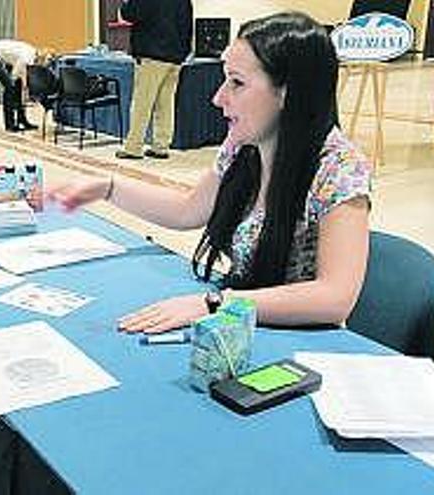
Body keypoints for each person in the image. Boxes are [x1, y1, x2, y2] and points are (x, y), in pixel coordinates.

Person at [49, 12, 372, 334]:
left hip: (294, 341)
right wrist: (108, 187)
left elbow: (335, 297)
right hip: (243, 324)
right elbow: (188, 208)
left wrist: (216, 302)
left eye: (237, 82)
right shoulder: (241, 144)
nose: (218, 98)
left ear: (288, 92)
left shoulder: (338, 168)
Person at [115, 0, 192, 160]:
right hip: (175, 56)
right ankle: (161, 146)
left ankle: (134, 147)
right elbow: (187, 27)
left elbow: (129, 14)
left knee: (142, 102)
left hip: (152, 55)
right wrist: (182, 53)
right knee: (166, 103)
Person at [0, 39, 39, 132]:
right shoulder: (28, 56)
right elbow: (17, 71)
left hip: (5, 59)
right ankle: (10, 125)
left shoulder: (30, 54)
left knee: (18, 86)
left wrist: (24, 86)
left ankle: (22, 120)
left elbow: (22, 72)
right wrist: (18, 83)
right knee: (10, 87)